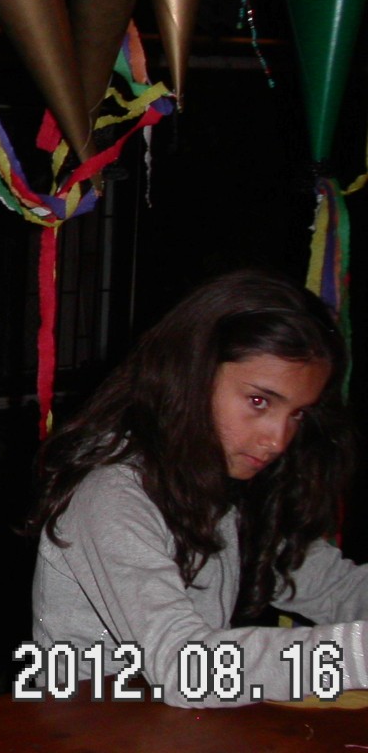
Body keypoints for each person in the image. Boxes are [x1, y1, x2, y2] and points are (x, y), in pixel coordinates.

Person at [28, 269, 368, 707]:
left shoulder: (233, 479)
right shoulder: (111, 493)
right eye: (259, 401)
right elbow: (184, 668)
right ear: (193, 373)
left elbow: (335, 588)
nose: (277, 440)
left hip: (178, 728)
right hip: (87, 725)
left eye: (297, 414)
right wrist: (358, 655)